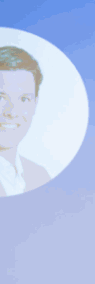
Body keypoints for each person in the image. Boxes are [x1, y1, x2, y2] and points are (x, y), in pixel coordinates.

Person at [0, 46, 51, 197]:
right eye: (1, 97)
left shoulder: (40, 176)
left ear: (35, 103)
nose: (12, 112)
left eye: (23, 99)